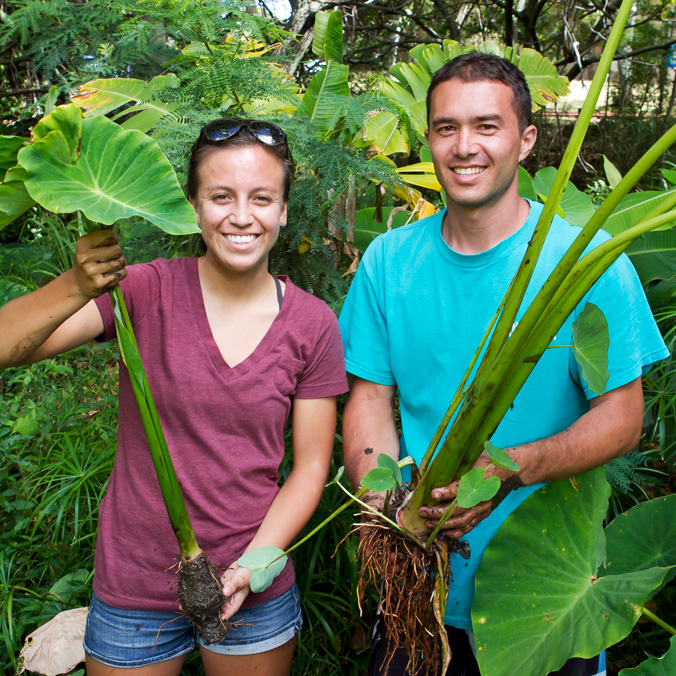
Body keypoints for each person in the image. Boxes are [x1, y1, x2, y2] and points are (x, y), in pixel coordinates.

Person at [338, 52, 669, 676]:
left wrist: (511, 468)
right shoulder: (389, 260)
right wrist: (382, 500)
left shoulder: (588, 264)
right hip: (418, 583)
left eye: (487, 126)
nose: (465, 147)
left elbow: (623, 418)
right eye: (446, 128)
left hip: (542, 594)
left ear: (526, 140)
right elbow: (369, 399)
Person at [0, 118, 348, 676]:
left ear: (283, 210)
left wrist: (254, 564)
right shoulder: (144, 289)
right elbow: (6, 347)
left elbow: (310, 468)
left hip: (254, 577)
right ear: (193, 205)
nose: (241, 215)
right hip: (135, 584)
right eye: (220, 196)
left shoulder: (312, 324)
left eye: (261, 198)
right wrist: (76, 285)